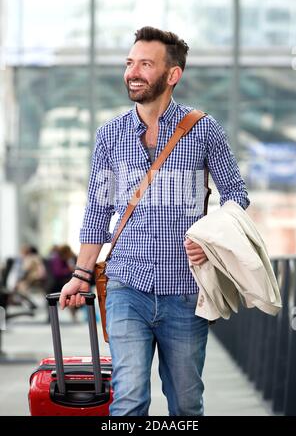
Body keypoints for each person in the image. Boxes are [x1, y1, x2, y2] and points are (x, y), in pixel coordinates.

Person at [60, 26, 250, 416]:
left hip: (185, 291)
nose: (133, 72)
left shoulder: (203, 130)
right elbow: (98, 211)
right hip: (126, 287)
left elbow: (237, 194)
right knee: (129, 399)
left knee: (186, 403)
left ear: (172, 74)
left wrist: (211, 238)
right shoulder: (109, 135)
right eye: (130, 63)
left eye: (146, 64)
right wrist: (80, 275)